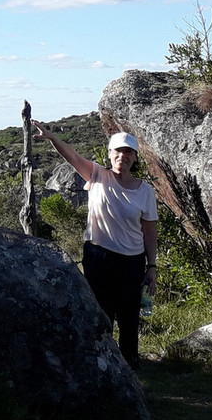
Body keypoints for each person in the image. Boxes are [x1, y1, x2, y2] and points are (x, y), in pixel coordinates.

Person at [33, 121, 158, 368]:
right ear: (110, 155)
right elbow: (72, 156)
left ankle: (129, 368)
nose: (123, 156)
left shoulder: (145, 192)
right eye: (117, 151)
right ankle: (100, 365)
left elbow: (150, 231)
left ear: (135, 158)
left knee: (129, 316)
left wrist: (151, 266)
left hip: (132, 261)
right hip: (98, 257)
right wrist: (51, 137)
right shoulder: (97, 175)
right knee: (101, 313)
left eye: (128, 152)